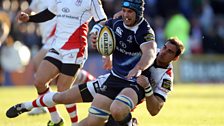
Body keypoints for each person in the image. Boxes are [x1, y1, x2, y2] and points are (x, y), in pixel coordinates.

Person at [6, 37, 185, 126]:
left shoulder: (166, 77)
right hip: (107, 84)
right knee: (62, 97)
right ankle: (26, 105)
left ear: (175, 58)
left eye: (169, 52)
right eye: (164, 48)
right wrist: (102, 43)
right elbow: (120, 38)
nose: (163, 52)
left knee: (100, 119)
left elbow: (155, 110)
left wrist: (147, 88)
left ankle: (130, 122)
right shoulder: (149, 52)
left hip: (121, 104)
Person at [16, 0, 107, 125]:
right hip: (57, 47)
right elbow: (49, 13)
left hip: (75, 50)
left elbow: (102, 20)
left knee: (63, 89)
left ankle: (74, 123)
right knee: (39, 82)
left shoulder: (91, 1)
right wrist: (29, 19)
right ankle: (56, 119)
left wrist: (96, 31)